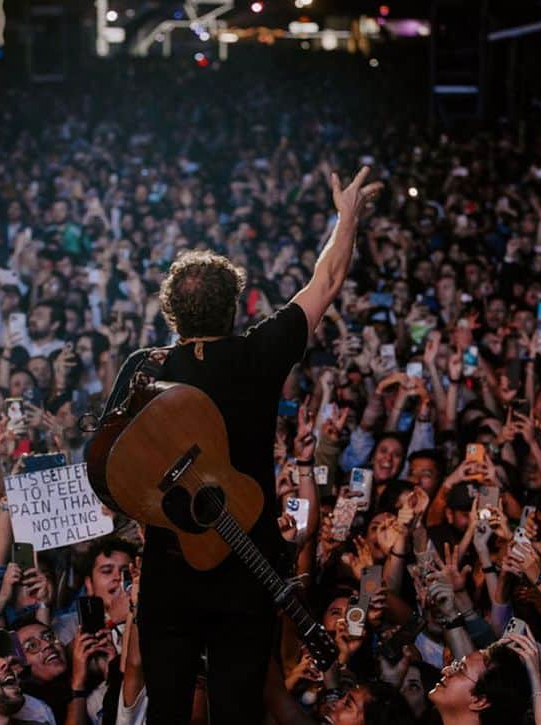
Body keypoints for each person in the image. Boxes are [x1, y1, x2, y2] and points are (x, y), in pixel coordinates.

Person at [102, 167, 382, 722]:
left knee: (167, 713)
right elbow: (325, 281)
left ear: (171, 315)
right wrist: (346, 216)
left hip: (170, 573)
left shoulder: (145, 371)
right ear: (237, 306)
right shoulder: (258, 355)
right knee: (236, 710)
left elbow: (107, 474)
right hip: (248, 569)